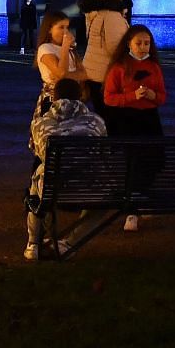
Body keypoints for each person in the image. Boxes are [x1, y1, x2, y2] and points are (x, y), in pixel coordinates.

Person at [24, 77, 106, 259]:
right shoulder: (96, 122)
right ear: (80, 97)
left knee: (38, 178)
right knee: (106, 200)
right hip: (88, 188)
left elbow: (36, 152)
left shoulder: (40, 123)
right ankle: (70, 243)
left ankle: (33, 243)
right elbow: (102, 152)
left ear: (54, 98)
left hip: (53, 189)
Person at [101, 24, 167, 232]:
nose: (142, 47)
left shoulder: (154, 67)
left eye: (147, 43)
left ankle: (140, 196)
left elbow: (162, 96)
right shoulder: (119, 67)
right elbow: (109, 98)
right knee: (133, 162)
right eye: (138, 43)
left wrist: (152, 96)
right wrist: (131, 97)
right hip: (128, 119)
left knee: (155, 159)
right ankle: (132, 207)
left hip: (149, 118)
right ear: (128, 43)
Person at [79, 0, 131, 111]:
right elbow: (115, 48)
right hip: (105, 74)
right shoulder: (111, 15)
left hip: (93, 70)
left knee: (103, 113)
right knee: (111, 116)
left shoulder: (97, 10)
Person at [34, 11, 86, 112]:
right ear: (49, 29)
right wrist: (65, 46)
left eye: (67, 27)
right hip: (54, 100)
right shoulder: (45, 48)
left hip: (73, 99)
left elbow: (84, 74)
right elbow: (61, 73)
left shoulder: (69, 50)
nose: (66, 32)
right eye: (61, 27)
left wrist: (67, 75)